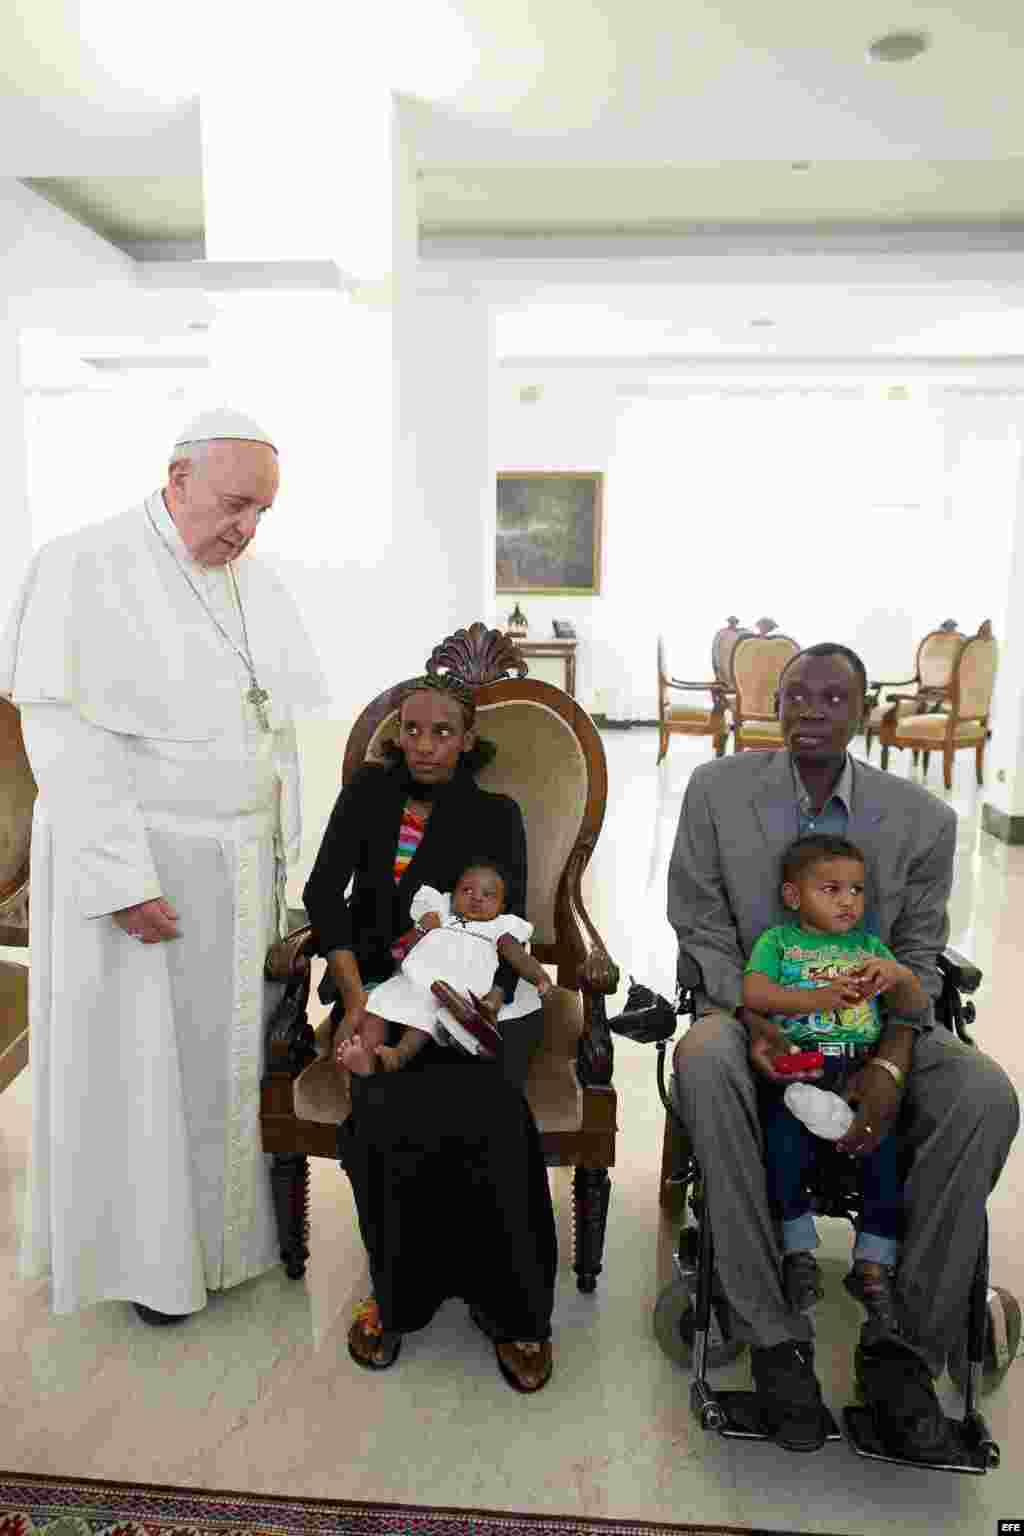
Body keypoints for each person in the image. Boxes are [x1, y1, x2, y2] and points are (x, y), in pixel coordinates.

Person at [0, 409, 328, 1324]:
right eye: (235, 506)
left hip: (229, 869)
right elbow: (60, 734)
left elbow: (272, 726)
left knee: (218, 1069)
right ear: (176, 478)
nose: (248, 530)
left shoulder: (241, 576)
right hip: (143, 869)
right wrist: (123, 877)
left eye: (263, 512)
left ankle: (222, 1246)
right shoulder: (83, 564)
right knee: (145, 1073)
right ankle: (146, 1266)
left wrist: (283, 863)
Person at [668, 642, 1019, 1459]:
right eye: (796, 696)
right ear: (775, 702)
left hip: (873, 1026)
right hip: (752, 1008)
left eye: (832, 699)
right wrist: (756, 1019)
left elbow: (921, 959)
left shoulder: (920, 820)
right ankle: (772, 1336)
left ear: (863, 713)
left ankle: (904, 1353)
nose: (810, 712)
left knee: (985, 1094)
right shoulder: (717, 792)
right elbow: (701, 923)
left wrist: (893, 1060)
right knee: (704, 1061)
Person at [303, 671, 557, 1391]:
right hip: (382, 991)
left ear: (467, 740)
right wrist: (356, 1001)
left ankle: (514, 1311)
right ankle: (398, 1297)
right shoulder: (366, 794)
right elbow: (325, 894)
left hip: (479, 996)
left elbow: (512, 928)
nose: (424, 745)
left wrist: (484, 1004)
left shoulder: (497, 813)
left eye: (442, 732)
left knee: (490, 1113)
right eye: (411, 729)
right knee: (383, 1108)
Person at [743, 833, 928, 1329]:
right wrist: (816, 1000)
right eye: (831, 889)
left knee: (883, 1150)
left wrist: (898, 976)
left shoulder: (868, 947)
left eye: (857, 890)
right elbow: (754, 991)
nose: (848, 901)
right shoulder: (779, 942)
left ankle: (872, 1261)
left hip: (859, 1067)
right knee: (782, 1146)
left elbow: (910, 1005)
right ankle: (797, 1250)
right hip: (801, 1067)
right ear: (793, 897)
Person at [336, 857, 552, 1074]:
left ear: (502, 906)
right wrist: (420, 929)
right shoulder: (440, 916)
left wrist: (540, 977)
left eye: (488, 895)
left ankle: (400, 1054)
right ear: (453, 895)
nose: (476, 898)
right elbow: (403, 947)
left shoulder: (499, 928)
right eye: (467, 890)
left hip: (457, 990)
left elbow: (519, 958)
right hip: (415, 980)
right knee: (378, 1005)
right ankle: (365, 1053)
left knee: (427, 1013)